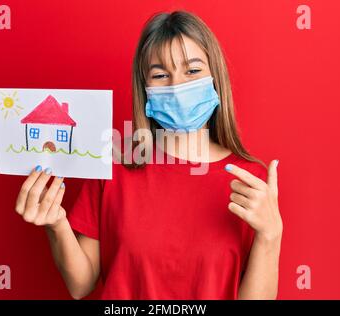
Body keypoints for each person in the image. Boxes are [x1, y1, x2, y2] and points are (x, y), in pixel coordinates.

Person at [14, 11, 283, 300]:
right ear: (145, 88)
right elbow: (80, 285)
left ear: (216, 78)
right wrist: (56, 225)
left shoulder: (249, 181)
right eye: (160, 75)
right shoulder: (114, 165)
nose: (177, 87)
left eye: (192, 71)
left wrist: (271, 235)